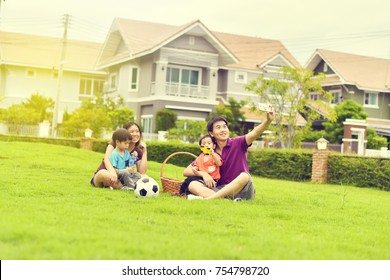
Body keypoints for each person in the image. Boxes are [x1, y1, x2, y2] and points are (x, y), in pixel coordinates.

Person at [183, 111, 274, 200]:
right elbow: (186, 171)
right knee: (193, 185)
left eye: (225, 127)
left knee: (245, 176)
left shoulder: (238, 142)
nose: (223, 130)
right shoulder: (210, 151)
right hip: (220, 189)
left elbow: (254, 133)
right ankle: (225, 200)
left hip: (242, 189)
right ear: (211, 133)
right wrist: (203, 174)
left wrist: (268, 121)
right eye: (218, 127)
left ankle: (209, 199)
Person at [90, 121, 147, 189]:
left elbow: (142, 172)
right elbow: (106, 159)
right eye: (131, 132)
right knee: (103, 174)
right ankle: (129, 186)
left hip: (124, 177)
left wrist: (144, 152)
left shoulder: (137, 151)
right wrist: (112, 172)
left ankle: (123, 186)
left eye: (137, 131)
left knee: (144, 176)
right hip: (108, 173)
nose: (135, 134)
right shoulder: (115, 143)